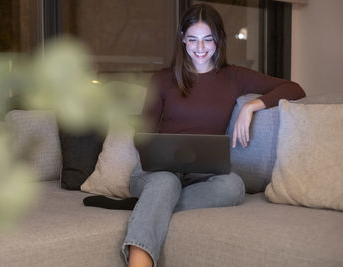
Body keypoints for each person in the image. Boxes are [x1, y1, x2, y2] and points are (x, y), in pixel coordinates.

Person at [121, 3, 305, 267]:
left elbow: (294, 88)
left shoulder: (234, 77)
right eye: (193, 39)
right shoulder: (162, 80)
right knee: (165, 184)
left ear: (219, 40)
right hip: (155, 175)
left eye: (208, 39)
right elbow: (143, 134)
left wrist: (252, 106)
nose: (200, 47)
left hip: (202, 177)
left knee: (233, 186)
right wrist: (156, 153)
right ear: (183, 40)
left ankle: (152, 208)